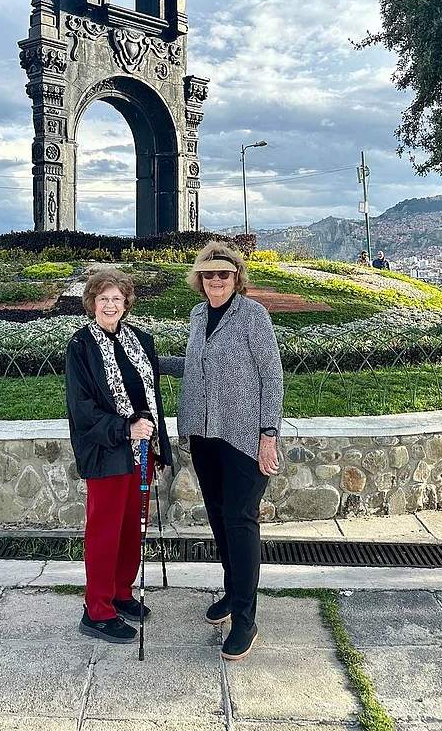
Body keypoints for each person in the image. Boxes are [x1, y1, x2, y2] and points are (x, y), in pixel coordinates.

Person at [161, 242, 283, 661]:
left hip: (244, 437)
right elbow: (196, 365)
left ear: (236, 277)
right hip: (204, 435)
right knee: (219, 520)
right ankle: (232, 595)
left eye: (224, 274)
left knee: (239, 520)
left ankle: (246, 619)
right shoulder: (198, 316)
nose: (216, 281)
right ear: (200, 278)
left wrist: (269, 434)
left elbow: (272, 377)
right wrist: (151, 359)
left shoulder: (253, 316)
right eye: (209, 274)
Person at [66, 268, 173, 644]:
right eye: (103, 298)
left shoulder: (140, 340)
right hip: (107, 450)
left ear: (126, 303)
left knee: (131, 527)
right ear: (92, 303)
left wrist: (154, 441)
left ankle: (120, 592)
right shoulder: (81, 346)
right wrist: (124, 428)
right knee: (104, 530)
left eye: (117, 298)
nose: (111, 304)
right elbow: (81, 407)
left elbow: (152, 396)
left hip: (141, 451)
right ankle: (97, 609)